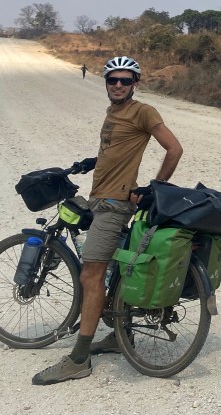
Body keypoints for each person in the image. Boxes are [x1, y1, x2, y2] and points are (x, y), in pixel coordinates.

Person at [32, 55, 183, 385]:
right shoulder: (113, 111)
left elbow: (174, 149)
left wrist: (153, 187)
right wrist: (92, 161)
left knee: (92, 272)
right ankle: (118, 336)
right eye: (112, 80)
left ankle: (79, 359)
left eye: (125, 80)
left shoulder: (143, 111)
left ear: (135, 84)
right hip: (100, 198)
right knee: (114, 270)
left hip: (115, 204)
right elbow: (117, 148)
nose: (117, 85)